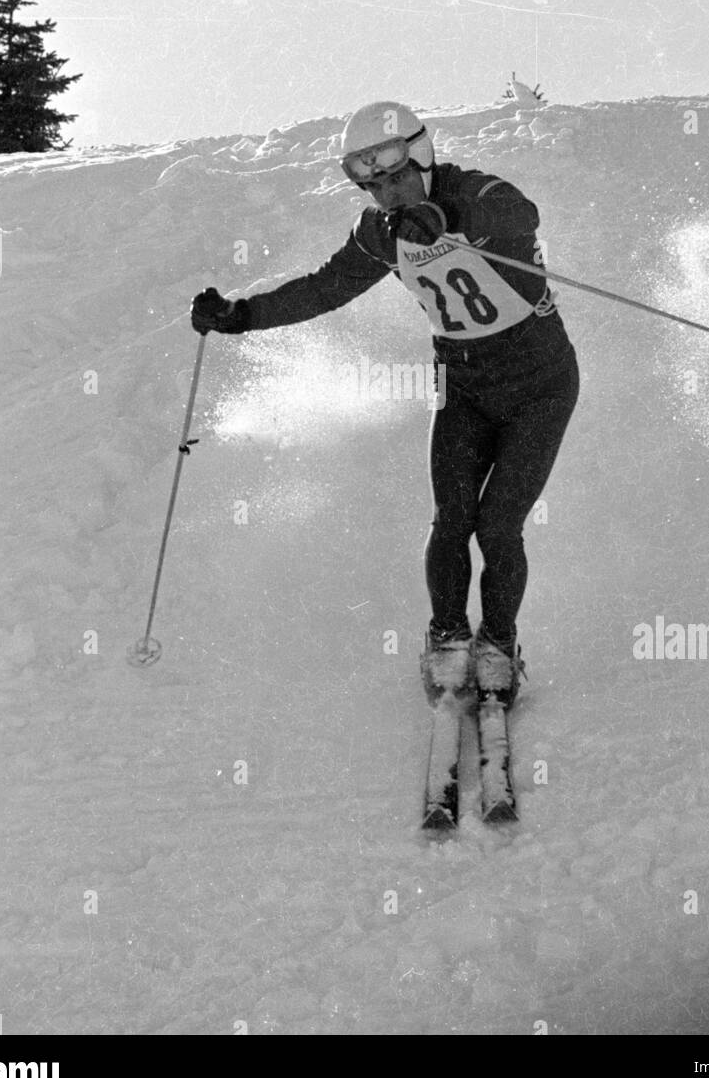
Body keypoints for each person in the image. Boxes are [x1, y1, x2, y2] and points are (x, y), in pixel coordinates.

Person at [191, 101, 579, 708]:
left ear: (421, 157)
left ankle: (499, 645)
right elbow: (323, 289)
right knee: (452, 520)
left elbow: (520, 215)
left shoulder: (475, 193)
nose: (387, 195)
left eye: (396, 178)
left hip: (541, 386)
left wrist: (443, 216)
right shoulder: (381, 233)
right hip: (465, 387)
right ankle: (449, 641)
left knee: (498, 525)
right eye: (371, 185)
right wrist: (242, 317)